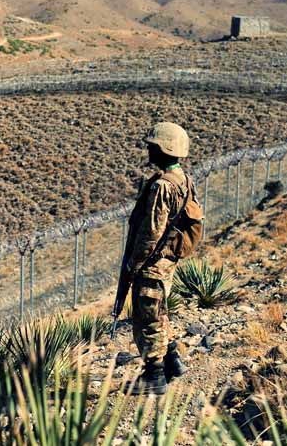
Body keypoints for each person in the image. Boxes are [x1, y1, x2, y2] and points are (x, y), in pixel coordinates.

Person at [123, 122, 204, 395]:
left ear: (165, 149)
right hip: (167, 260)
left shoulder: (162, 186)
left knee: (149, 316)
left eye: (153, 146)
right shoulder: (184, 179)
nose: (149, 150)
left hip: (153, 263)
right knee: (160, 310)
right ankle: (172, 361)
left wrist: (134, 265)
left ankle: (154, 374)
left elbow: (151, 232)